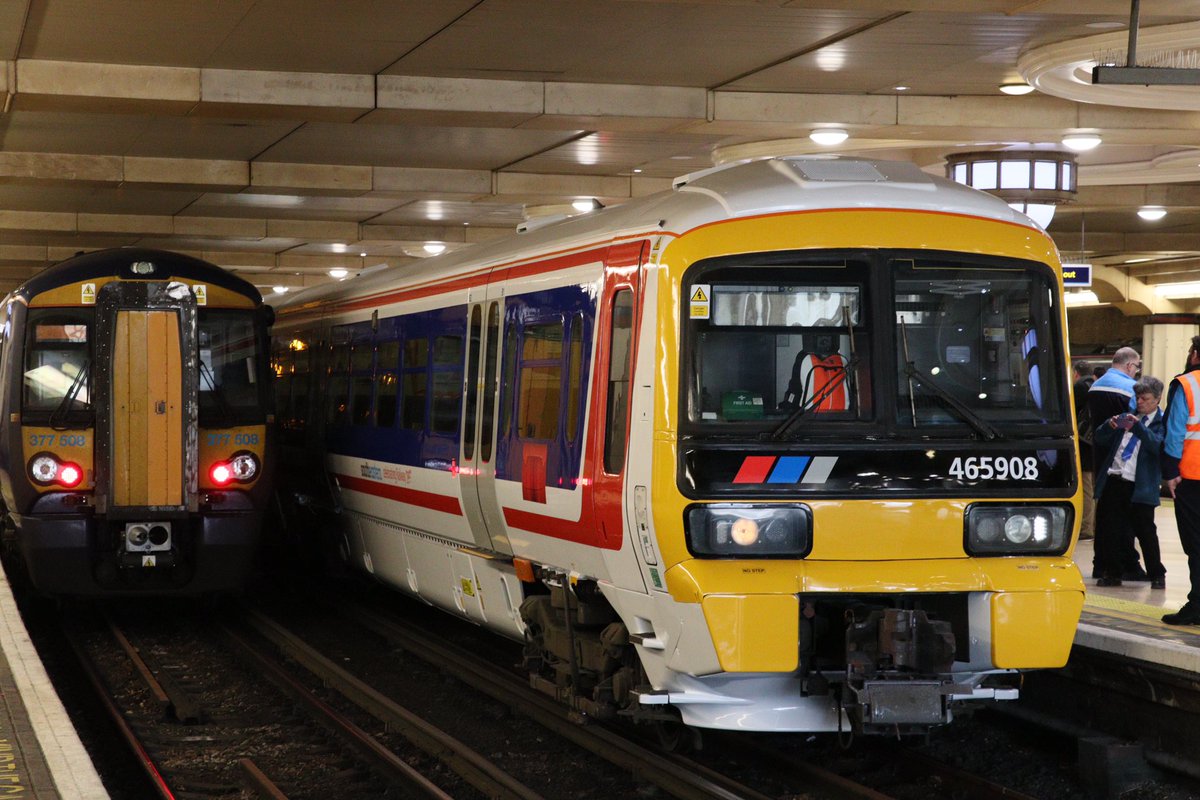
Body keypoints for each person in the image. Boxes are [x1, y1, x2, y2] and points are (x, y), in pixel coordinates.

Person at [1092, 377, 1166, 588]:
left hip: (1140, 485)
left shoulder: (1161, 423)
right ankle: (1114, 573)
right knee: (1111, 530)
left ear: (1157, 399)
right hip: (1115, 479)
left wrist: (1138, 428)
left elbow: (1157, 446)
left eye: (1145, 398)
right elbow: (1100, 438)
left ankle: (1157, 574)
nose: (1140, 402)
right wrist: (1109, 425)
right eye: (1138, 397)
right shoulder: (1127, 416)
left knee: (1146, 532)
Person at [1087, 347, 1146, 578]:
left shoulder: (1095, 386)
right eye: (1136, 367)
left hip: (1100, 457)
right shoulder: (1129, 390)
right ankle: (1125, 564)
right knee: (1124, 515)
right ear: (1130, 365)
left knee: (1104, 514)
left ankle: (1100, 562)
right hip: (1123, 460)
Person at [1162, 337, 1200, 624]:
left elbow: (1175, 432)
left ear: (1196, 355)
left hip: (1192, 478)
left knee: (1196, 544)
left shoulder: (1187, 384)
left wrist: (1171, 472)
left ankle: (1197, 606)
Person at [1072, 360, 1096, 540]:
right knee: (1093, 486)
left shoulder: (1079, 387)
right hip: (1094, 443)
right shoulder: (1095, 385)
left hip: (1083, 443)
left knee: (1086, 486)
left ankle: (1086, 527)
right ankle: (1093, 525)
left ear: (1075, 373)